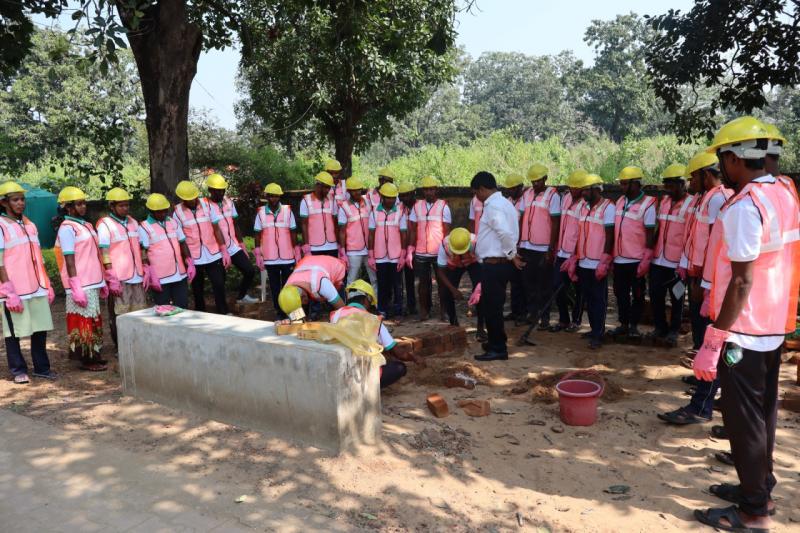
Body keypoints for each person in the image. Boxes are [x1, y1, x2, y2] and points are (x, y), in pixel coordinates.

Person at [692, 117, 800, 532]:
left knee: (743, 420)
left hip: (744, 330)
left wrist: (714, 339)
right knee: (763, 413)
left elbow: (740, 280)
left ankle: (754, 511)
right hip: (772, 325)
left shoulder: (744, 206)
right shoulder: (784, 192)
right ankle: (759, 487)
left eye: (722, 160)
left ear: (735, 159)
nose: (721, 168)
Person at [0, 181, 56, 384]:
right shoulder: (1, 226)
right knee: (14, 332)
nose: (20, 203)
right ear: (4, 202)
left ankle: (42, 368)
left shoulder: (30, 225)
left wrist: (47, 283)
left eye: (22, 199)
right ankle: (18, 370)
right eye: (15, 200)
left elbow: (38, 257)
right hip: (15, 289)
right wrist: (8, 290)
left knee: (40, 329)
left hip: (37, 286)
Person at [55, 186, 112, 371]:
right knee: (83, 321)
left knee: (94, 319)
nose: (83, 207)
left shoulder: (86, 225)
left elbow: (94, 253)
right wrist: (75, 284)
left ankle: (95, 355)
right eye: (78, 204)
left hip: (93, 280)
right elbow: (69, 258)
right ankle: (87, 360)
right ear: (67, 207)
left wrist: (103, 279)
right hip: (81, 283)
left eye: (83, 203)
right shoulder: (67, 228)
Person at [330, 280, 422, 388]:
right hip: (362, 377)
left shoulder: (335, 315)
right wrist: (414, 358)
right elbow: (398, 353)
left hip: (340, 372)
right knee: (400, 367)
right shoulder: (373, 320)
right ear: (366, 300)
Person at [471, 171, 524, 362]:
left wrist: (511, 254)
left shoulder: (494, 206)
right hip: (497, 263)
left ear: (482, 189)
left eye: (476, 193)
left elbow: (505, 233)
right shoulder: (505, 203)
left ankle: (498, 348)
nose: (476, 197)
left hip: (495, 264)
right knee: (492, 305)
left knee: (492, 308)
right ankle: (496, 341)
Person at [566, 173, 615, 350]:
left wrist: (605, 260)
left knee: (598, 300)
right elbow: (580, 234)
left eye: (586, 190)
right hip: (584, 261)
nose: (583, 193)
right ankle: (594, 329)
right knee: (588, 298)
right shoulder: (583, 207)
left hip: (597, 263)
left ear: (596, 189)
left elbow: (610, 236)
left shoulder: (608, 208)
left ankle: (598, 334)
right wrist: (574, 257)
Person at [649, 164, 694, 347]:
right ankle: (660, 327)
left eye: (671, 186)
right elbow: (658, 228)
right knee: (655, 295)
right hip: (658, 259)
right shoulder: (664, 202)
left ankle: (674, 330)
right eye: (666, 186)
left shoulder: (691, 204)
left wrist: (685, 262)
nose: (668, 190)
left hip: (677, 263)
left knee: (677, 298)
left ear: (683, 184)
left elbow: (691, 236)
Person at [96, 187, 147, 349]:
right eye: (121, 205)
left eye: (127, 205)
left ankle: (138, 344)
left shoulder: (133, 222)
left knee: (139, 311)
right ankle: (121, 347)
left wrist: (146, 267)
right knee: (119, 313)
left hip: (136, 274)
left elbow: (141, 247)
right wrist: (110, 275)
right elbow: (104, 251)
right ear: (112, 206)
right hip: (119, 277)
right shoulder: (105, 225)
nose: (125, 208)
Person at [612, 166, 656, 340]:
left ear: (636, 184)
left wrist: (647, 258)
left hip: (636, 259)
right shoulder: (620, 201)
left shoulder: (648, 204)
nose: (622, 187)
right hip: (619, 258)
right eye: (621, 183)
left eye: (625, 183)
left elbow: (650, 233)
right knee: (620, 293)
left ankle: (633, 325)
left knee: (637, 294)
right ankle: (623, 323)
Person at [173, 180, 230, 314]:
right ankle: (200, 313)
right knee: (197, 288)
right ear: (182, 199)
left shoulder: (207, 205)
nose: (191, 201)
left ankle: (223, 312)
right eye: (187, 199)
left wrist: (224, 249)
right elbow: (180, 239)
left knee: (219, 283)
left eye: (193, 197)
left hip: (213, 252)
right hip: (194, 256)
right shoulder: (177, 213)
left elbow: (216, 228)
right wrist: (188, 260)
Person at [518, 163, 561, 330]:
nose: (535, 184)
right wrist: (519, 242)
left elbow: (555, 222)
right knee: (528, 283)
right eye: (533, 181)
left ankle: (545, 317)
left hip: (543, 249)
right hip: (526, 246)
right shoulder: (527, 194)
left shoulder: (553, 196)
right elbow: (521, 218)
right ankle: (532, 313)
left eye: (538, 181)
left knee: (544, 285)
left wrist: (551, 248)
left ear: (545, 179)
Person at [205, 173, 258, 304]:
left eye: (222, 190)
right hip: (217, 249)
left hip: (233, 246)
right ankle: (222, 309)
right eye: (217, 190)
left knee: (249, 270)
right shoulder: (205, 206)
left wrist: (241, 243)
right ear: (210, 190)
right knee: (220, 281)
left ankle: (241, 297)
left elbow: (235, 223)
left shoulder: (229, 202)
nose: (221, 193)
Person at [254, 183, 300, 320]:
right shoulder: (261, 213)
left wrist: (296, 250)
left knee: (289, 286)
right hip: (270, 258)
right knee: (274, 288)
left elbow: (293, 231)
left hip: (287, 257)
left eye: (276, 196)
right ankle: (279, 313)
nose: (273, 199)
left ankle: (291, 312)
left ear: (280, 197)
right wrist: (258, 253)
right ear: (266, 196)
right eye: (271, 196)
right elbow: (257, 234)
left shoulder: (287, 211)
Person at [139, 193, 194, 308]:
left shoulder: (172, 222)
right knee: (164, 309)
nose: (163, 214)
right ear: (151, 211)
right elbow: (143, 252)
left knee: (183, 306)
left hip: (180, 274)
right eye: (159, 212)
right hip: (160, 278)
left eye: (165, 211)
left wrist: (189, 261)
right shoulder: (144, 227)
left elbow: (182, 242)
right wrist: (150, 273)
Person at [407, 176, 451, 321]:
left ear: (436, 190)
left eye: (431, 189)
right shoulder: (416, 206)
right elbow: (413, 230)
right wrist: (410, 249)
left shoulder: (444, 206)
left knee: (442, 283)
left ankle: (444, 312)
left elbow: (447, 231)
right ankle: (424, 311)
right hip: (421, 252)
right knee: (423, 284)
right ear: (423, 191)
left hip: (439, 252)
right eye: (426, 189)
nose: (429, 192)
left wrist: (447, 250)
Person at [552, 169, 587, 333]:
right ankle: (563, 319)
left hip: (577, 254)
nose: (573, 190)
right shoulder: (565, 198)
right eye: (571, 187)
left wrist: (576, 255)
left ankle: (576, 320)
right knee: (556, 285)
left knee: (580, 289)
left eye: (576, 187)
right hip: (561, 251)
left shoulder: (585, 204)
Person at [436, 227, 484, 339]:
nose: (461, 254)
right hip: (455, 264)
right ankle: (454, 326)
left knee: (482, 293)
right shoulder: (444, 245)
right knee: (447, 292)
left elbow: (485, 269)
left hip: (474, 263)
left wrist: (478, 289)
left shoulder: (477, 243)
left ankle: (481, 328)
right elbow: (440, 271)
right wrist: (453, 289)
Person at [368, 183, 407, 318]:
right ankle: (382, 310)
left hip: (396, 255)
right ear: (382, 197)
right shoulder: (374, 211)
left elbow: (403, 234)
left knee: (397, 285)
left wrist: (403, 255)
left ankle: (398, 311)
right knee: (382, 284)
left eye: (393, 198)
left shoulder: (400, 211)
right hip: (379, 255)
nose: (391, 200)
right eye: (388, 197)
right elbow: (371, 234)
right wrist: (371, 255)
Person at [338, 176, 377, 291]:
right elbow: (342, 231)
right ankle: (350, 301)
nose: (357, 192)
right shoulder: (344, 207)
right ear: (349, 191)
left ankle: (376, 300)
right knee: (352, 280)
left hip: (369, 249)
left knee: (374, 279)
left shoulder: (368, 202)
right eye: (354, 190)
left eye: (359, 189)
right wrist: (343, 252)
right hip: (353, 250)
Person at [277, 254, 346, 317]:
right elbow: (294, 315)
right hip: (311, 265)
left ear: (303, 297)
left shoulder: (322, 284)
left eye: (301, 306)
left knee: (338, 311)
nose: (297, 313)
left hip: (335, 268)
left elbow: (342, 309)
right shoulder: (287, 289)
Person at [501, 173, 527, 325]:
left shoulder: (525, 201)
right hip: (510, 246)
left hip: (521, 245)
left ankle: (523, 313)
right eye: (508, 189)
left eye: (513, 188)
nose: (510, 191)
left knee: (523, 281)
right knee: (513, 281)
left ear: (520, 187)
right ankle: (515, 310)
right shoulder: (508, 202)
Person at [300, 172, 339, 258]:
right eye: (325, 187)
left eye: (329, 187)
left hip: (332, 246)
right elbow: (304, 224)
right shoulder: (305, 201)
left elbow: (335, 223)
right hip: (314, 247)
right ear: (318, 185)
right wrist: (306, 245)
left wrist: (338, 243)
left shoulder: (332, 200)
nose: (327, 190)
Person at [397, 182, 417, 315]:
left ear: (413, 194)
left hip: (416, 248)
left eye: (407, 195)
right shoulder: (398, 208)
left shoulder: (419, 207)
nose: (404, 198)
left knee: (412, 279)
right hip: (399, 248)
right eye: (402, 196)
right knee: (399, 280)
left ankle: (412, 305)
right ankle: (400, 305)